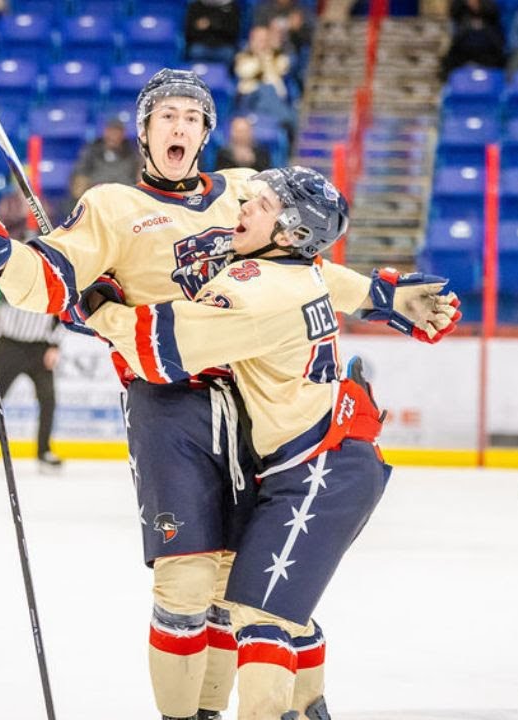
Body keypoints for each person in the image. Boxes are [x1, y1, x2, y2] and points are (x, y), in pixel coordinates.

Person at [0, 68, 459, 720]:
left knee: (236, 584)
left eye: (192, 117)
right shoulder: (112, 206)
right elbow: (48, 277)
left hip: (249, 397)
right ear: (145, 130)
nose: (180, 126)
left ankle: (235, 710)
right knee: (185, 580)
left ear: (207, 131)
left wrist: (381, 296)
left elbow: (302, 267)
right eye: (167, 117)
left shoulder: (247, 192)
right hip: (170, 401)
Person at [79, 167, 454, 718]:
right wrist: (382, 295)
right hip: (322, 460)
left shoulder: (253, 288)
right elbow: (330, 277)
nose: (243, 207)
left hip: (318, 467)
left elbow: (158, 352)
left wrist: (93, 307)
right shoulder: (300, 271)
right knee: (272, 608)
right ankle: (309, 710)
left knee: (260, 620)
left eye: (260, 204)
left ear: (291, 232)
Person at [0, 304, 66, 473]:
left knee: (48, 399)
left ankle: (44, 452)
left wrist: (55, 345)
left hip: (40, 347)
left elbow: (63, 310)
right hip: (9, 346)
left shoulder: (52, 281)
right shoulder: (9, 277)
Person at [70, 117, 141, 201]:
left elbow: (138, 178)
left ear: (123, 134)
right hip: (96, 198)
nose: (113, 135)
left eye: (117, 132)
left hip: (124, 198)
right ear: (105, 132)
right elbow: (80, 175)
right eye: (111, 131)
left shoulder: (133, 154)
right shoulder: (91, 152)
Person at [440, 0, 506, 79]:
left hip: (486, 47)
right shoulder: (460, 6)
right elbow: (454, 14)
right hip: (464, 47)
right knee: (449, 59)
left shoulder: (489, 7)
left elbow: (494, 17)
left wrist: (478, 7)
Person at [186, 0, 242, 65]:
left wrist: (211, 24)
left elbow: (234, 32)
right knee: (196, 51)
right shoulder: (195, 6)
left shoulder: (232, 6)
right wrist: (200, 27)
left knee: (229, 53)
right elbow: (189, 32)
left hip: (224, 46)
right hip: (201, 44)